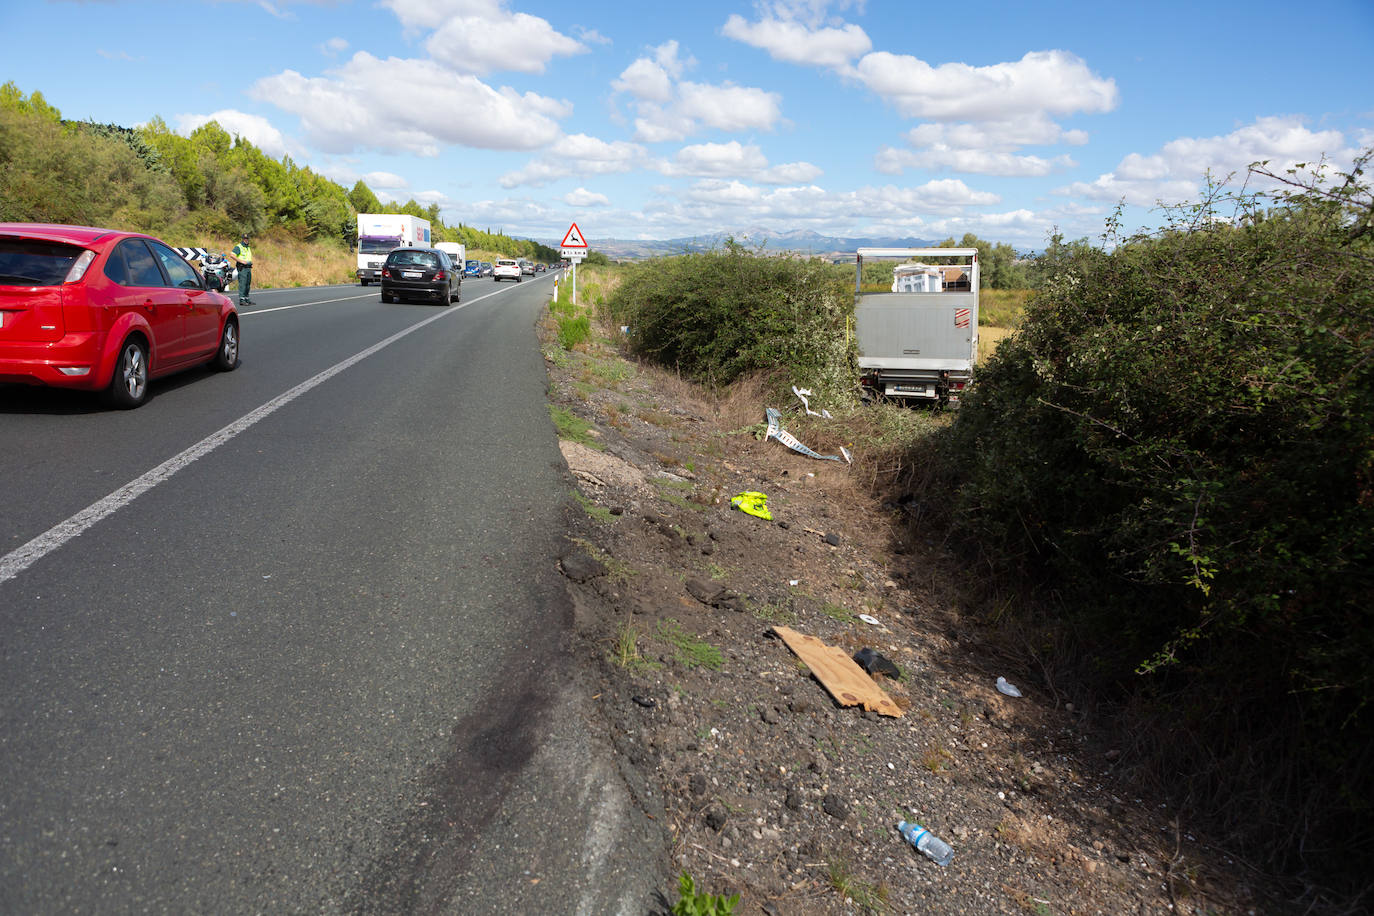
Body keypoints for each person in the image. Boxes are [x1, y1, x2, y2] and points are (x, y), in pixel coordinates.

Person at [230, 234, 254, 305]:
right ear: (242, 239)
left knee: (247, 284)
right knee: (243, 283)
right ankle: (242, 299)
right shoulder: (239, 247)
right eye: (245, 239)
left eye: (247, 239)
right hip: (242, 267)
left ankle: (246, 298)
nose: (246, 240)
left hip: (248, 268)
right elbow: (232, 255)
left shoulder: (247, 247)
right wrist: (241, 261)